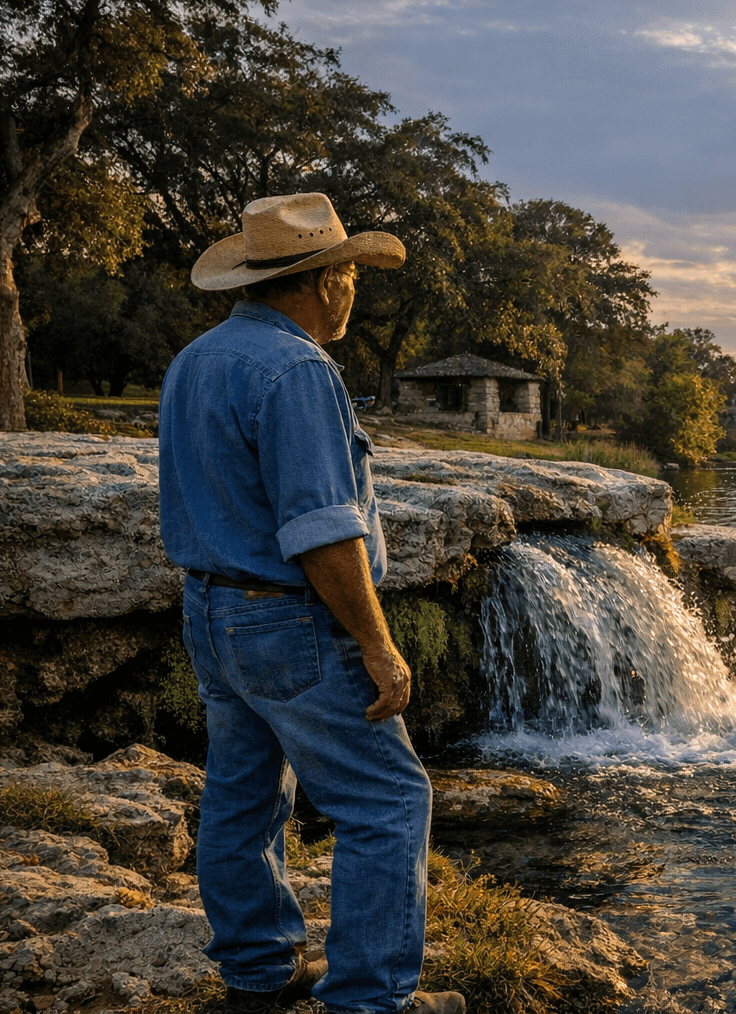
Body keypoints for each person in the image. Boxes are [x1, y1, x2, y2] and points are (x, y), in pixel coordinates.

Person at [160, 194, 464, 1014]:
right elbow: (322, 533)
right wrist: (375, 640)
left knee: (242, 795)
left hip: (212, 612)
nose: (355, 293)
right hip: (290, 619)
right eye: (353, 277)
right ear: (326, 280)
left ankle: (257, 976)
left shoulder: (197, 359)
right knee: (389, 800)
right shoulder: (298, 372)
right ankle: (367, 999)